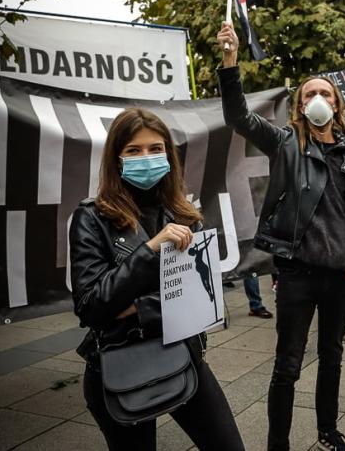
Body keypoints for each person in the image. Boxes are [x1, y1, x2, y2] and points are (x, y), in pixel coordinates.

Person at [216, 23, 345, 451]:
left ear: (337, 105)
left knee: (333, 359)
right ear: (299, 107)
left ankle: (327, 432)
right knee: (287, 366)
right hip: (299, 275)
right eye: (309, 95)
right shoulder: (286, 142)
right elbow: (238, 117)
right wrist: (230, 64)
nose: (317, 100)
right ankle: (277, 444)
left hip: (342, 275)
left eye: (325, 94)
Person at [69, 108, 245, 451]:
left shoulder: (182, 214)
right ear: (116, 158)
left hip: (183, 354)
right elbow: (91, 307)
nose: (146, 157)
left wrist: (135, 306)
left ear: (168, 154)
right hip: (121, 363)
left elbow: (199, 301)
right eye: (134, 150)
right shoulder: (91, 218)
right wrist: (150, 249)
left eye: (155, 148)